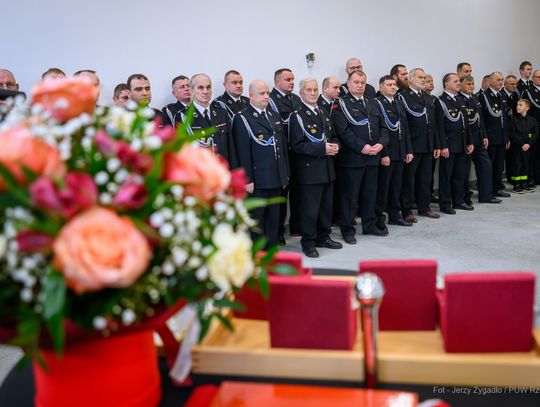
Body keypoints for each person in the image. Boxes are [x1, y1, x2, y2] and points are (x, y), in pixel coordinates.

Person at [331, 70, 389, 244]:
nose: (359, 85)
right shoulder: (340, 104)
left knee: (370, 195)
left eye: (362, 82)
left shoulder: (373, 102)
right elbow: (343, 131)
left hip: (372, 156)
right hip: (352, 159)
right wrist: (361, 147)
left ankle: (369, 225)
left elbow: (384, 128)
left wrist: (381, 144)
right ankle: (347, 229)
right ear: (348, 84)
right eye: (356, 82)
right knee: (350, 197)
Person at [232, 80, 289, 247]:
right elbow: (242, 152)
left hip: (276, 176)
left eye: (267, 93)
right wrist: (247, 179)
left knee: (274, 218)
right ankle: (258, 252)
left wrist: (284, 173)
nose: (266, 96)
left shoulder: (273, 115)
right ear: (251, 95)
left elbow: (282, 147)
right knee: (257, 219)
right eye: (262, 93)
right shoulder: (243, 118)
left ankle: (271, 249)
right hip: (258, 179)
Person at [289, 78, 342, 257]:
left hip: (327, 168)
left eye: (315, 90)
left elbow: (333, 136)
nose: (312, 93)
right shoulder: (297, 115)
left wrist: (336, 146)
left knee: (326, 208)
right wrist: (322, 148)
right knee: (310, 210)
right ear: (301, 93)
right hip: (310, 171)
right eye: (308, 90)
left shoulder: (323, 112)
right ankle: (308, 242)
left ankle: (323, 237)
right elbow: (296, 145)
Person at [398, 68, 440, 222]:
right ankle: (407, 210)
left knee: (425, 179)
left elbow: (433, 124)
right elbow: (404, 126)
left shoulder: (428, 98)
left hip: (427, 145)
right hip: (413, 146)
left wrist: (436, 144)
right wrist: (407, 148)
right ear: (410, 79)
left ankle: (424, 207)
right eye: (420, 77)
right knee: (408, 180)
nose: (423, 80)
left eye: (424, 77)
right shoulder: (403, 97)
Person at [374, 75, 413, 230]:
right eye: (389, 84)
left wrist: (408, 150)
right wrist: (383, 154)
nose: (393, 87)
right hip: (387, 153)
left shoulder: (398, 102)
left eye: (394, 84)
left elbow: (405, 128)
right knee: (383, 188)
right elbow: (378, 131)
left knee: (397, 186)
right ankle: (379, 218)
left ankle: (395, 215)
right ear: (381, 87)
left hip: (400, 152)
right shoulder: (377, 104)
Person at [269, 68, 302, 243]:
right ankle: (279, 231)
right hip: (283, 153)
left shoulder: (296, 99)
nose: (291, 82)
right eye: (287, 79)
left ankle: (296, 225)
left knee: (298, 191)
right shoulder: (270, 100)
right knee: (281, 195)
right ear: (277, 82)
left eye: (292, 79)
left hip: (298, 152)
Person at [458, 76, 501, 204]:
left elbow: (480, 119)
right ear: (461, 85)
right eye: (468, 84)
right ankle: (465, 197)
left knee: (486, 166)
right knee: (464, 171)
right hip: (466, 141)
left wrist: (484, 136)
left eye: (472, 84)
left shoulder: (474, 98)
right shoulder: (459, 99)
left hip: (479, 139)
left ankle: (486, 195)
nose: (471, 86)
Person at [435, 73, 474, 214]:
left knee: (459, 175)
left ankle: (458, 201)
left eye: (459, 81)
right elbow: (439, 126)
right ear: (446, 84)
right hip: (449, 145)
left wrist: (469, 141)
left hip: (462, 144)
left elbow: (466, 123)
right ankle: (445, 204)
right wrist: (443, 146)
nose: (459, 83)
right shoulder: (440, 101)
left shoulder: (459, 99)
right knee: (446, 176)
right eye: (455, 81)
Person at [184, 73, 235, 166]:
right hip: (201, 171)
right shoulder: (184, 117)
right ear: (191, 90)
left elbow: (231, 147)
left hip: (222, 168)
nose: (205, 91)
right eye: (200, 88)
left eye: (208, 87)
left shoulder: (221, 113)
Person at [479, 72, 511, 198]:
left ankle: (497, 188)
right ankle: (489, 190)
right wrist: (484, 136)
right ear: (490, 81)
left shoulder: (501, 95)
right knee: (489, 166)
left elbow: (504, 118)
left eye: (502, 80)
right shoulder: (484, 96)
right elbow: (482, 119)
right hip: (491, 137)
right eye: (498, 80)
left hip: (501, 137)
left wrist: (506, 137)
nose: (501, 82)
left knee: (499, 166)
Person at [508, 99, 538, 192]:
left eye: (521, 105)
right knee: (517, 165)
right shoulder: (513, 120)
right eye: (517, 105)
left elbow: (535, 133)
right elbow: (512, 134)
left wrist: (528, 144)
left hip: (528, 147)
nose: (518, 106)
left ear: (527, 108)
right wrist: (522, 144)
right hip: (517, 147)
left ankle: (524, 183)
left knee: (526, 165)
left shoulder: (533, 120)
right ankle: (516, 184)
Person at [521, 69, 540, 186]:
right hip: (533, 126)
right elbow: (523, 110)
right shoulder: (528, 92)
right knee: (533, 153)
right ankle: (532, 177)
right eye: (538, 77)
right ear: (533, 79)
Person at [502, 75, 519, 183]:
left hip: (513, 128)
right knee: (505, 156)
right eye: (512, 84)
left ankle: (512, 177)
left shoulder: (515, 95)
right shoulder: (501, 95)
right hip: (504, 128)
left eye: (516, 84)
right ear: (505, 84)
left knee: (513, 155)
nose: (515, 86)